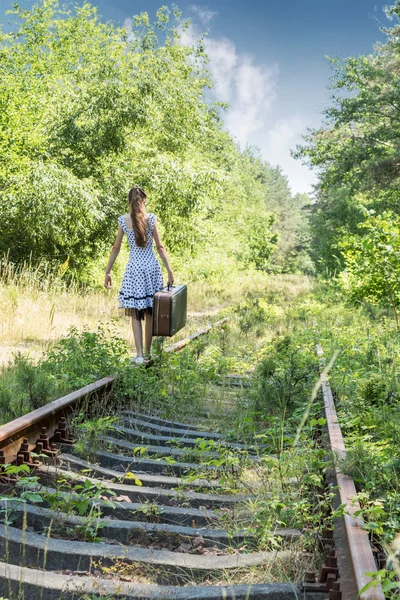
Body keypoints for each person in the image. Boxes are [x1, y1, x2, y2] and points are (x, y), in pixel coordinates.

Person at [104, 186, 174, 364]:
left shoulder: (123, 220)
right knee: (150, 311)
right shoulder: (151, 220)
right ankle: (149, 353)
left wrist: (108, 271)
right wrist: (169, 270)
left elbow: (116, 247)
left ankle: (140, 355)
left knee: (136, 312)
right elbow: (160, 247)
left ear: (129, 201)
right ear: (144, 200)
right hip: (151, 267)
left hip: (134, 269)